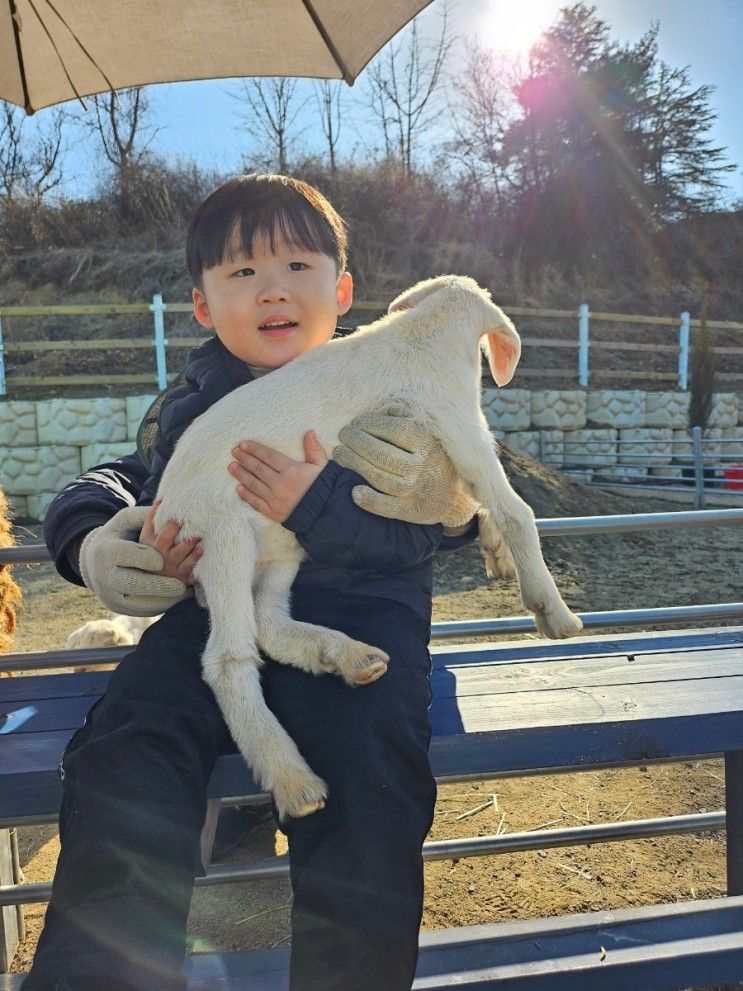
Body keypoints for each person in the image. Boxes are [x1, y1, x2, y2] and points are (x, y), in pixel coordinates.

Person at [24, 173, 478, 991]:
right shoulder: (194, 407)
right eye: (240, 273)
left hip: (359, 629)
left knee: (368, 782)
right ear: (200, 305)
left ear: (342, 292)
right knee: (125, 746)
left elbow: (449, 510)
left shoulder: (390, 392)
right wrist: (90, 538)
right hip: (210, 627)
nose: (272, 288)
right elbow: (120, 477)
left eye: (298, 266)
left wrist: (440, 506)